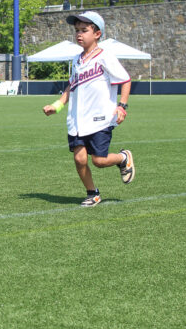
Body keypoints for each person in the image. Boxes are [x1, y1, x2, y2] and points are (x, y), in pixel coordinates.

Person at [42, 11, 135, 207]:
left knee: (99, 161)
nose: (79, 34)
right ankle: (92, 193)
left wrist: (122, 106)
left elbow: (125, 80)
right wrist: (57, 106)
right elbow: (71, 86)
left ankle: (123, 157)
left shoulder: (105, 56)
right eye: (77, 30)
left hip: (100, 118)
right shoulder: (76, 60)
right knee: (79, 158)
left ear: (97, 33)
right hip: (76, 120)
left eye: (84, 30)